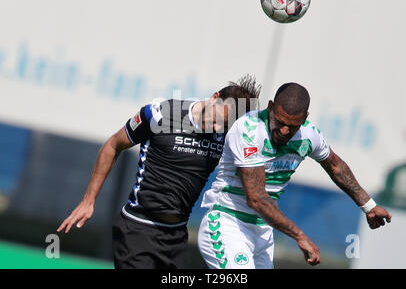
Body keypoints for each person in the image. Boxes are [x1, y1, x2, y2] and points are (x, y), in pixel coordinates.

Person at [57, 75, 261, 269]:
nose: (217, 128)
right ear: (214, 97)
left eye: (225, 125)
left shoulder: (229, 136)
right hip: (137, 229)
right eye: (218, 119)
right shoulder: (160, 114)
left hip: (176, 237)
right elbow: (113, 145)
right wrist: (88, 201)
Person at [198, 82, 392, 269]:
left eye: (292, 126)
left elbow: (336, 167)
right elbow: (257, 199)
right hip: (227, 224)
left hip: (263, 232)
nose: (284, 131)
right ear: (271, 107)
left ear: (305, 117)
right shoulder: (249, 130)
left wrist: (369, 205)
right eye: (280, 122)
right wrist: (299, 235)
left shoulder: (309, 135)